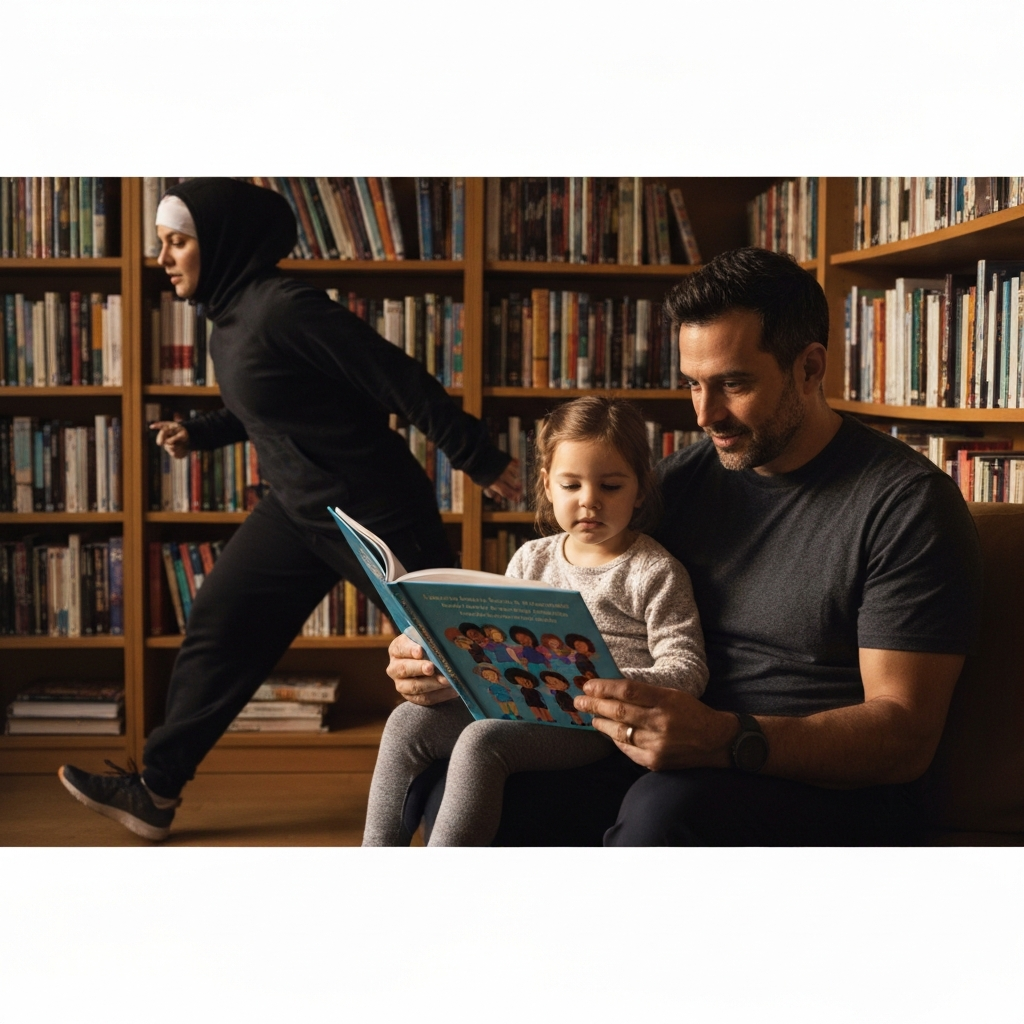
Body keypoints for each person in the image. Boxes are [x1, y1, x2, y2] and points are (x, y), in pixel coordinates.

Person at [386, 247, 984, 846]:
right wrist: (450, 659)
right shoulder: (682, 480)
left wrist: (724, 737)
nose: (705, 413)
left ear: (808, 368)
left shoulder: (906, 505)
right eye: (693, 384)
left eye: (734, 384)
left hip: (807, 778)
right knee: (461, 781)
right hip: (647, 744)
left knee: (662, 817)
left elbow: (904, 737)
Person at [57, 178, 520, 841]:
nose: (164, 257)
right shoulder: (229, 316)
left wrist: (476, 454)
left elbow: (397, 376)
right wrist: (203, 431)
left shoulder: (284, 308)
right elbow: (277, 403)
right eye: (163, 243)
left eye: (177, 241)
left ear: (219, 244)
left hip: (372, 508)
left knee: (453, 653)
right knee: (221, 623)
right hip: (298, 510)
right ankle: (155, 789)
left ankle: (518, 774)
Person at [362, 396, 708, 846]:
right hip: (518, 698)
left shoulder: (654, 571)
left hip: (590, 720)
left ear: (640, 489)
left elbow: (689, 667)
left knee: (483, 743)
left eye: (611, 486)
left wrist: (606, 681)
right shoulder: (531, 558)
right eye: (571, 486)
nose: (590, 502)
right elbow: (492, 635)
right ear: (547, 485)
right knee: (407, 722)